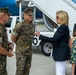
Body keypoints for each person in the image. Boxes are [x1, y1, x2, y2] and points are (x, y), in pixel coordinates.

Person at [35, 10, 70, 75]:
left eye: (57, 17)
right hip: (62, 53)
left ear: (62, 18)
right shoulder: (63, 27)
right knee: (61, 71)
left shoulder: (62, 28)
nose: (56, 19)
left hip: (61, 53)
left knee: (59, 72)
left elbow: (54, 39)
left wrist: (40, 36)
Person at [11, 8, 35, 75]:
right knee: (20, 70)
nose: (31, 16)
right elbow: (13, 37)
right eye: (29, 15)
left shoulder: (32, 25)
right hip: (21, 52)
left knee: (27, 70)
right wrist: (19, 45)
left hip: (29, 52)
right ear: (24, 16)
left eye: (32, 15)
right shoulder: (20, 25)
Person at [0, 7, 14, 75]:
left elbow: (2, 41)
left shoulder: (2, 28)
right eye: (8, 16)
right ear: (3, 16)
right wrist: (9, 54)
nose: (9, 17)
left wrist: (9, 44)